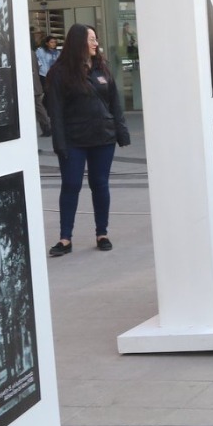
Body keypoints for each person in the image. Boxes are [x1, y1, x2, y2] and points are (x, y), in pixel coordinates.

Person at [44, 23, 131, 257]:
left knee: (99, 183)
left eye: (96, 38)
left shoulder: (102, 68)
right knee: (71, 185)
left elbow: (115, 104)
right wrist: (59, 143)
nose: (96, 43)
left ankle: (102, 234)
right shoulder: (60, 73)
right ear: (78, 42)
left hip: (103, 137)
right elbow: (56, 111)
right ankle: (65, 239)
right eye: (91, 39)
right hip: (74, 140)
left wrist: (121, 132)